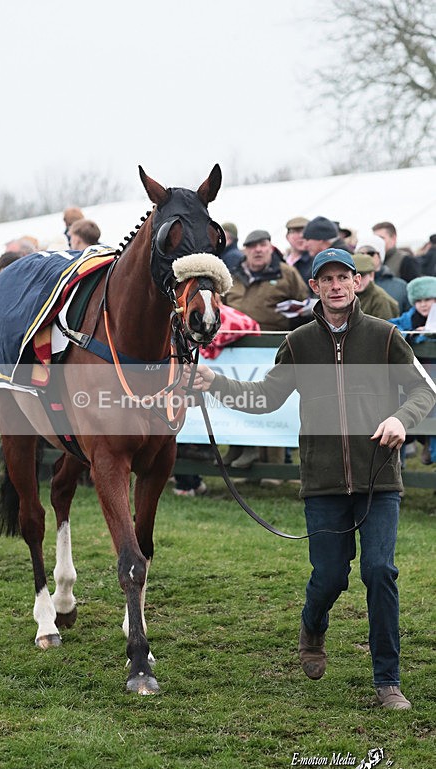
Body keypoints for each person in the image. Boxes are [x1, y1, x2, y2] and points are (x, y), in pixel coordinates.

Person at [187, 248, 435, 710]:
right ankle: (313, 626)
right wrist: (214, 383)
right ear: (316, 287)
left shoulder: (385, 336)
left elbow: (424, 389)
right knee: (329, 578)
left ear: (357, 283)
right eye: (328, 279)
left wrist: (403, 419)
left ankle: (388, 681)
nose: (338, 285)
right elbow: (265, 397)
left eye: (346, 277)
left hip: (379, 479)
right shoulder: (299, 342)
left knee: (379, 572)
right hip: (322, 484)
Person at [223, 228, 308, 473]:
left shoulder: (287, 274)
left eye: (263, 245)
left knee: (274, 402)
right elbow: (223, 306)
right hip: (236, 350)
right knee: (236, 399)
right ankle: (240, 448)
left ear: (271, 247)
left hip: (273, 348)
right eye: (252, 246)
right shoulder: (234, 275)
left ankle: (275, 468)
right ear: (245, 250)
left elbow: (305, 304)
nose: (258, 250)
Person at [389, 275, 436, 467]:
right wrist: (413, 334)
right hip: (415, 381)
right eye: (419, 300)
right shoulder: (408, 319)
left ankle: (430, 451)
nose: (423, 305)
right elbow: (390, 327)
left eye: (428, 299)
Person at [356, 233, 409, 313]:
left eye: (371, 253)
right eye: (361, 253)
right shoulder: (349, 286)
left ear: (381, 255)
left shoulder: (400, 286)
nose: (365, 257)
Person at [353, 254, 399, 319]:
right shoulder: (348, 295)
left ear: (371, 275)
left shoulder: (380, 299)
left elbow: (383, 327)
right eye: (354, 276)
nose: (358, 280)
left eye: (362, 276)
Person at [284, 216, 312, 287]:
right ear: (287, 236)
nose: (301, 235)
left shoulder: (315, 261)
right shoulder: (281, 261)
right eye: (296, 231)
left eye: (304, 231)